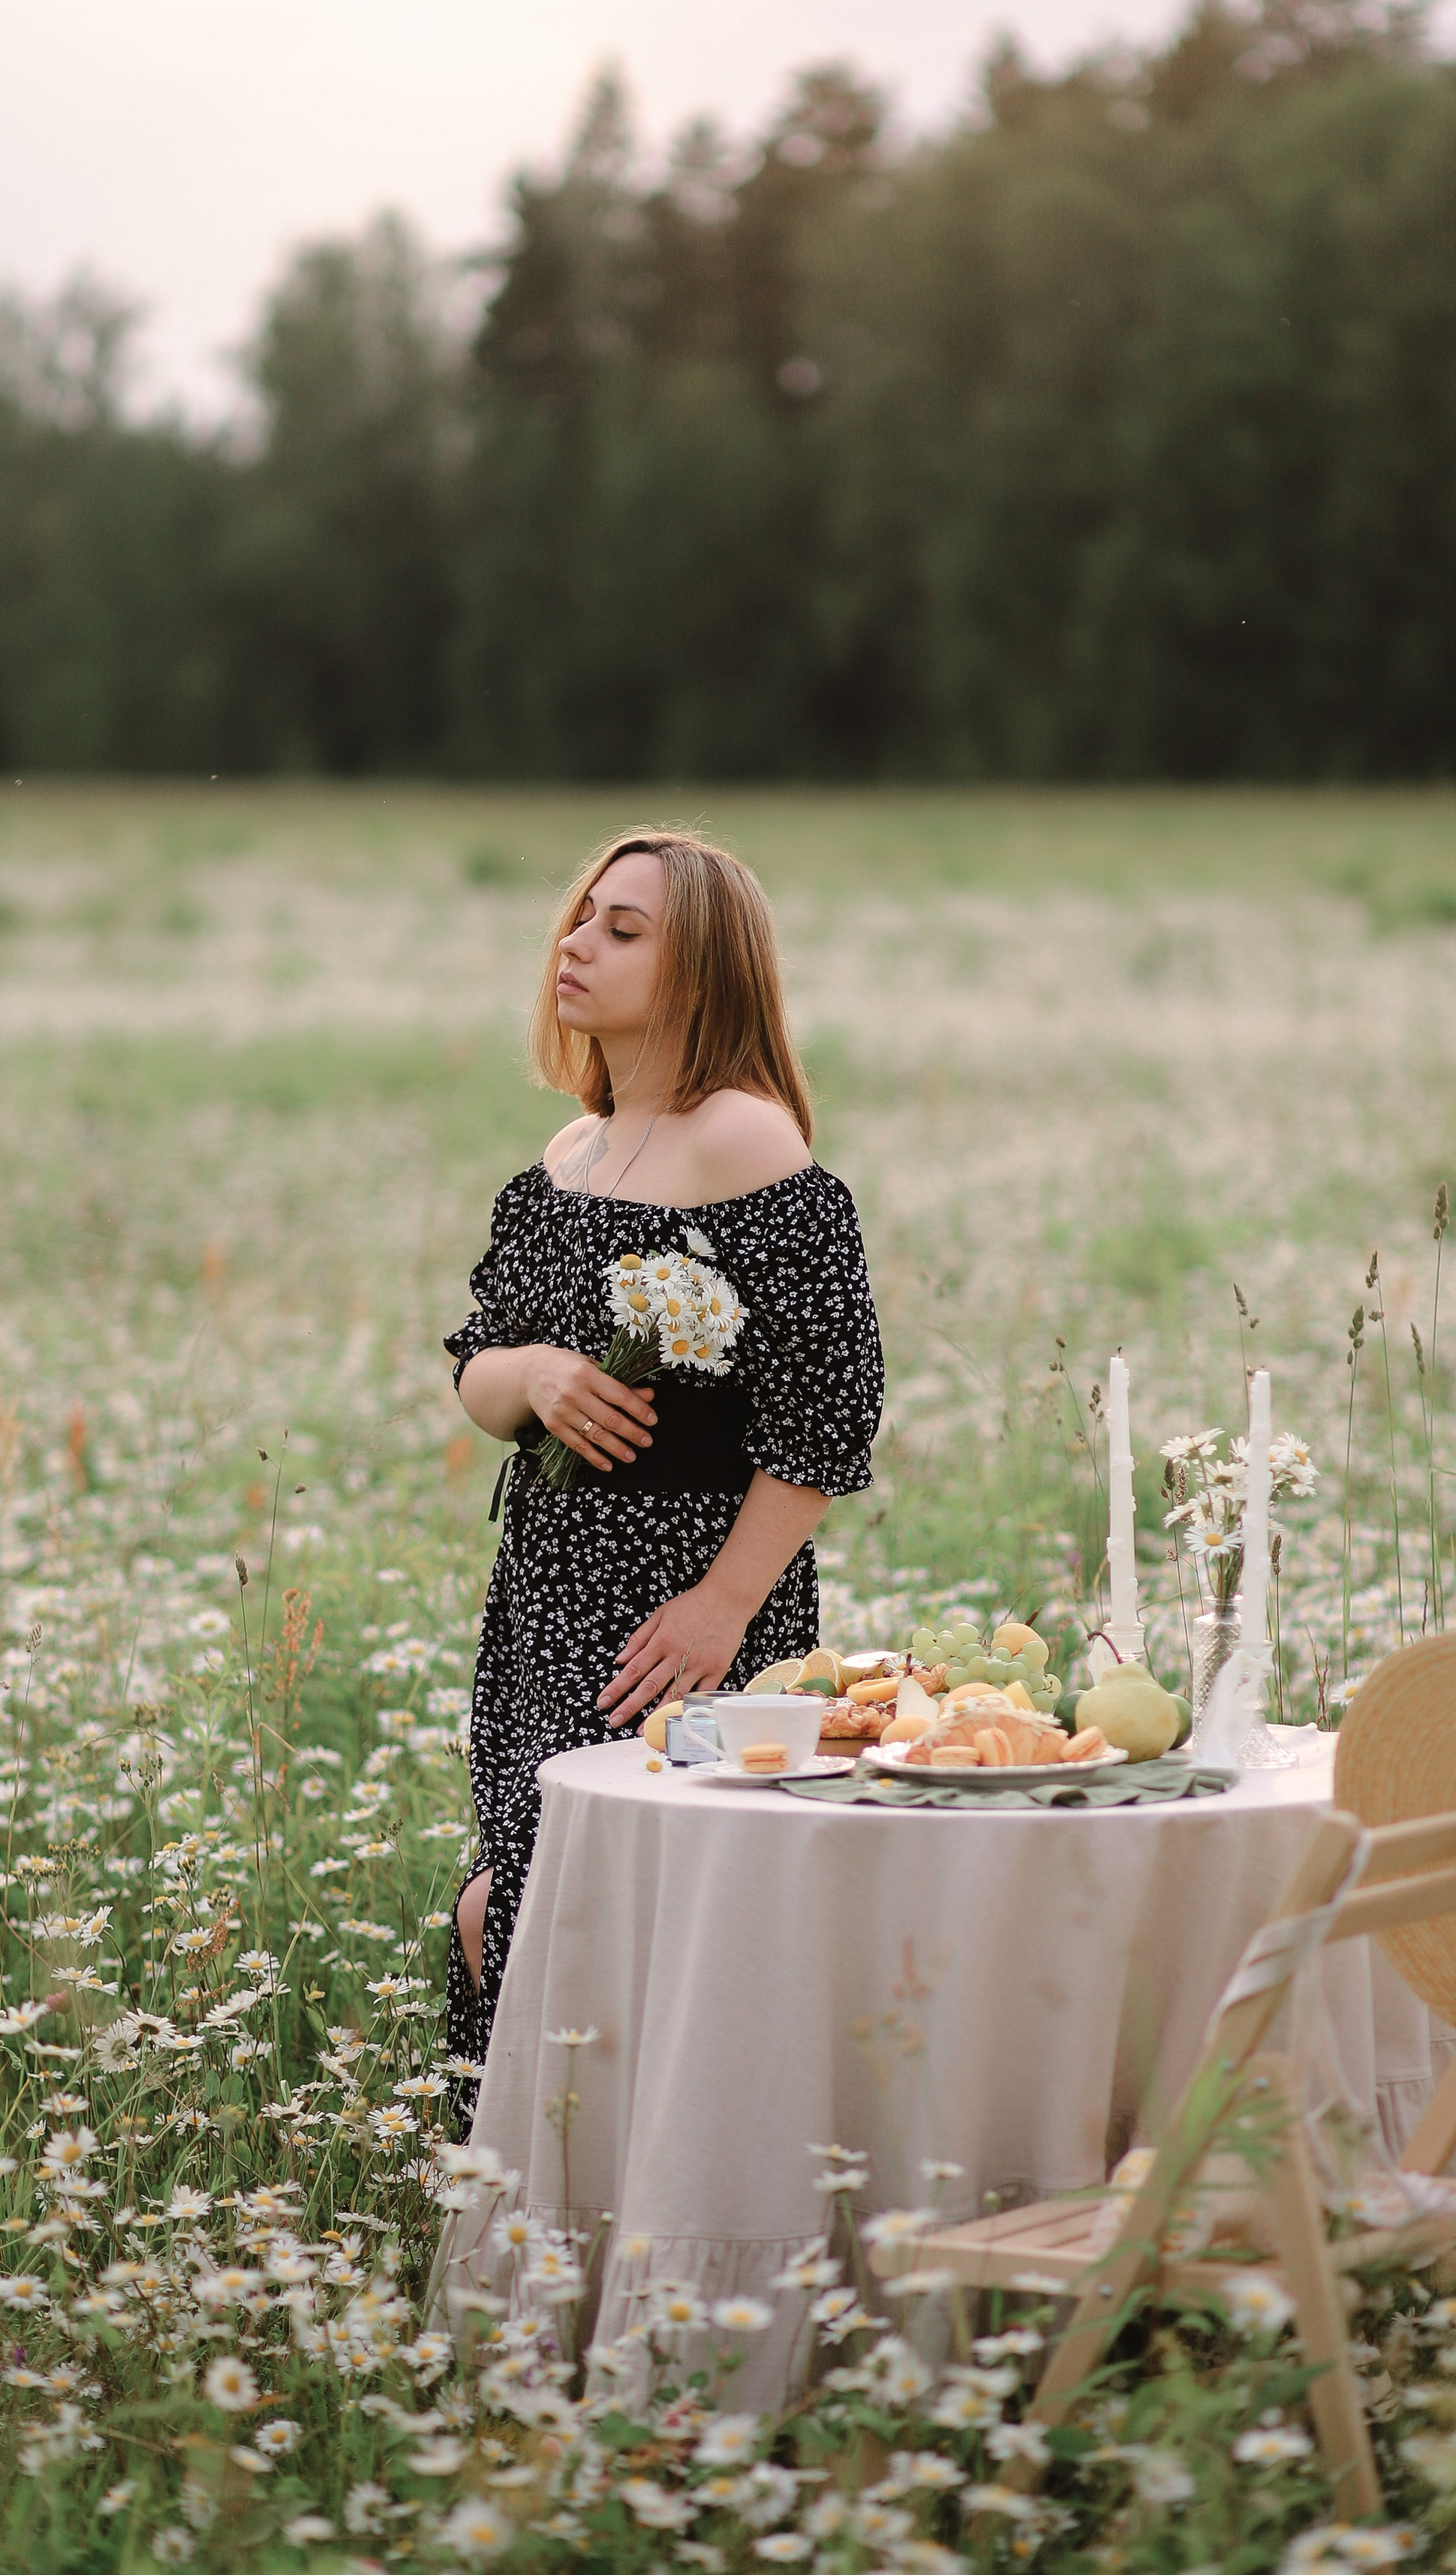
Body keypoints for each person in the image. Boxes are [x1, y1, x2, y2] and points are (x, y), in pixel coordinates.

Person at [443, 829, 885, 2086]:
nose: (575, 944)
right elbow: (477, 1364)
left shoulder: (750, 1145)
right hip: (544, 1590)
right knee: (521, 1897)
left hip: (685, 1600)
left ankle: (653, 2217)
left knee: (630, 1923)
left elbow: (830, 1408)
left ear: (700, 976)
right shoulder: (567, 1158)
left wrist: (721, 1612)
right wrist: (531, 1377)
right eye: (582, 918)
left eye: (623, 930)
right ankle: (529, 2212)